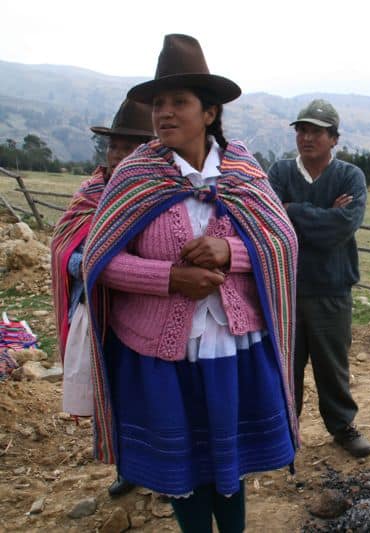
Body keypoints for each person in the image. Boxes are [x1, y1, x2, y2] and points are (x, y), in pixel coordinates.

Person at [81, 34, 299, 533]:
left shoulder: (243, 170)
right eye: (158, 103)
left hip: (232, 347)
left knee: (229, 464)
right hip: (160, 352)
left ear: (210, 113)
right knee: (181, 468)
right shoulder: (135, 174)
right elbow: (101, 259)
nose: (164, 113)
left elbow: (282, 243)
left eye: (180, 102)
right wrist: (169, 279)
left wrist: (231, 251)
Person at [51, 98, 154, 498]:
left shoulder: (160, 196)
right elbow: (65, 246)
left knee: (151, 391)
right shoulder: (93, 191)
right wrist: (92, 263)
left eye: (131, 148)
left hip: (148, 312)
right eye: (115, 147)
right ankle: (128, 467)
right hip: (100, 313)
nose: (120, 155)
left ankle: (163, 466)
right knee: (111, 388)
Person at [268, 99, 370, 458]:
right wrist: (319, 215)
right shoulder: (279, 173)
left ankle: (342, 427)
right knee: (285, 367)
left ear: (334, 138)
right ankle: (284, 431)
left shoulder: (350, 176)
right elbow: (272, 225)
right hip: (287, 290)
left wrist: (292, 211)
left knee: (333, 366)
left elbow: (341, 230)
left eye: (316, 131)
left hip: (332, 291)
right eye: (301, 130)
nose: (306, 136)